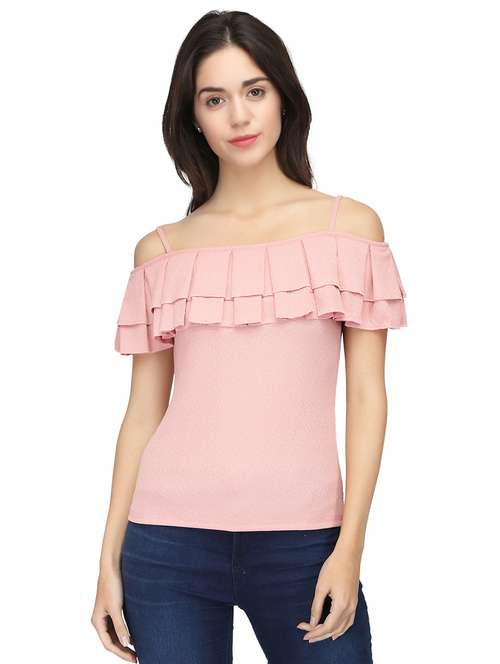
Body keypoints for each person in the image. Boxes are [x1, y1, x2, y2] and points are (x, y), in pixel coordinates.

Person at [91, 10, 408, 664]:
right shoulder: (162, 251)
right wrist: (106, 562)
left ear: (283, 97)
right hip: (167, 544)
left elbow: (368, 398)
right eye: (215, 99)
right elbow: (142, 412)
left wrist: (349, 548)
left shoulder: (349, 229)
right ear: (193, 118)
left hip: (306, 545)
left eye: (254, 91)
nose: (238, 115)